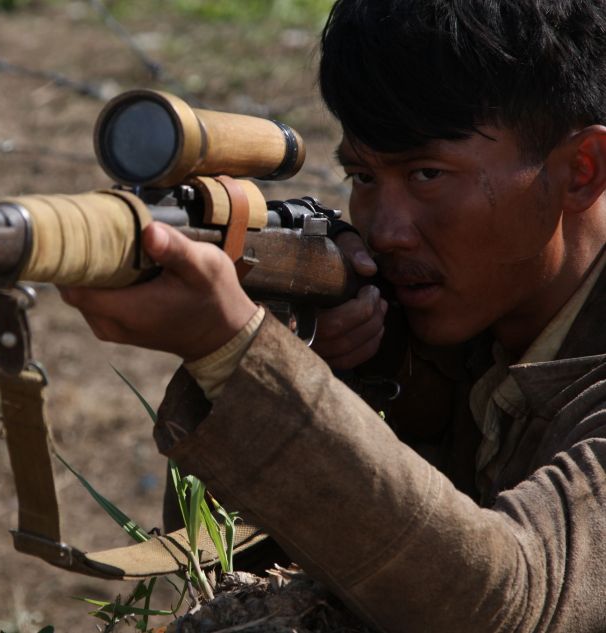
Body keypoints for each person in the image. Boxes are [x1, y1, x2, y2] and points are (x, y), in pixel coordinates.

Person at [60, 0, 606, 631]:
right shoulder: (464, 319)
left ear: (580, 172)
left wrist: (240, 356)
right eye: (363, 176)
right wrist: (321, 369)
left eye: (427, 173)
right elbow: (230, 579)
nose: (387, 231)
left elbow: (508, 604)